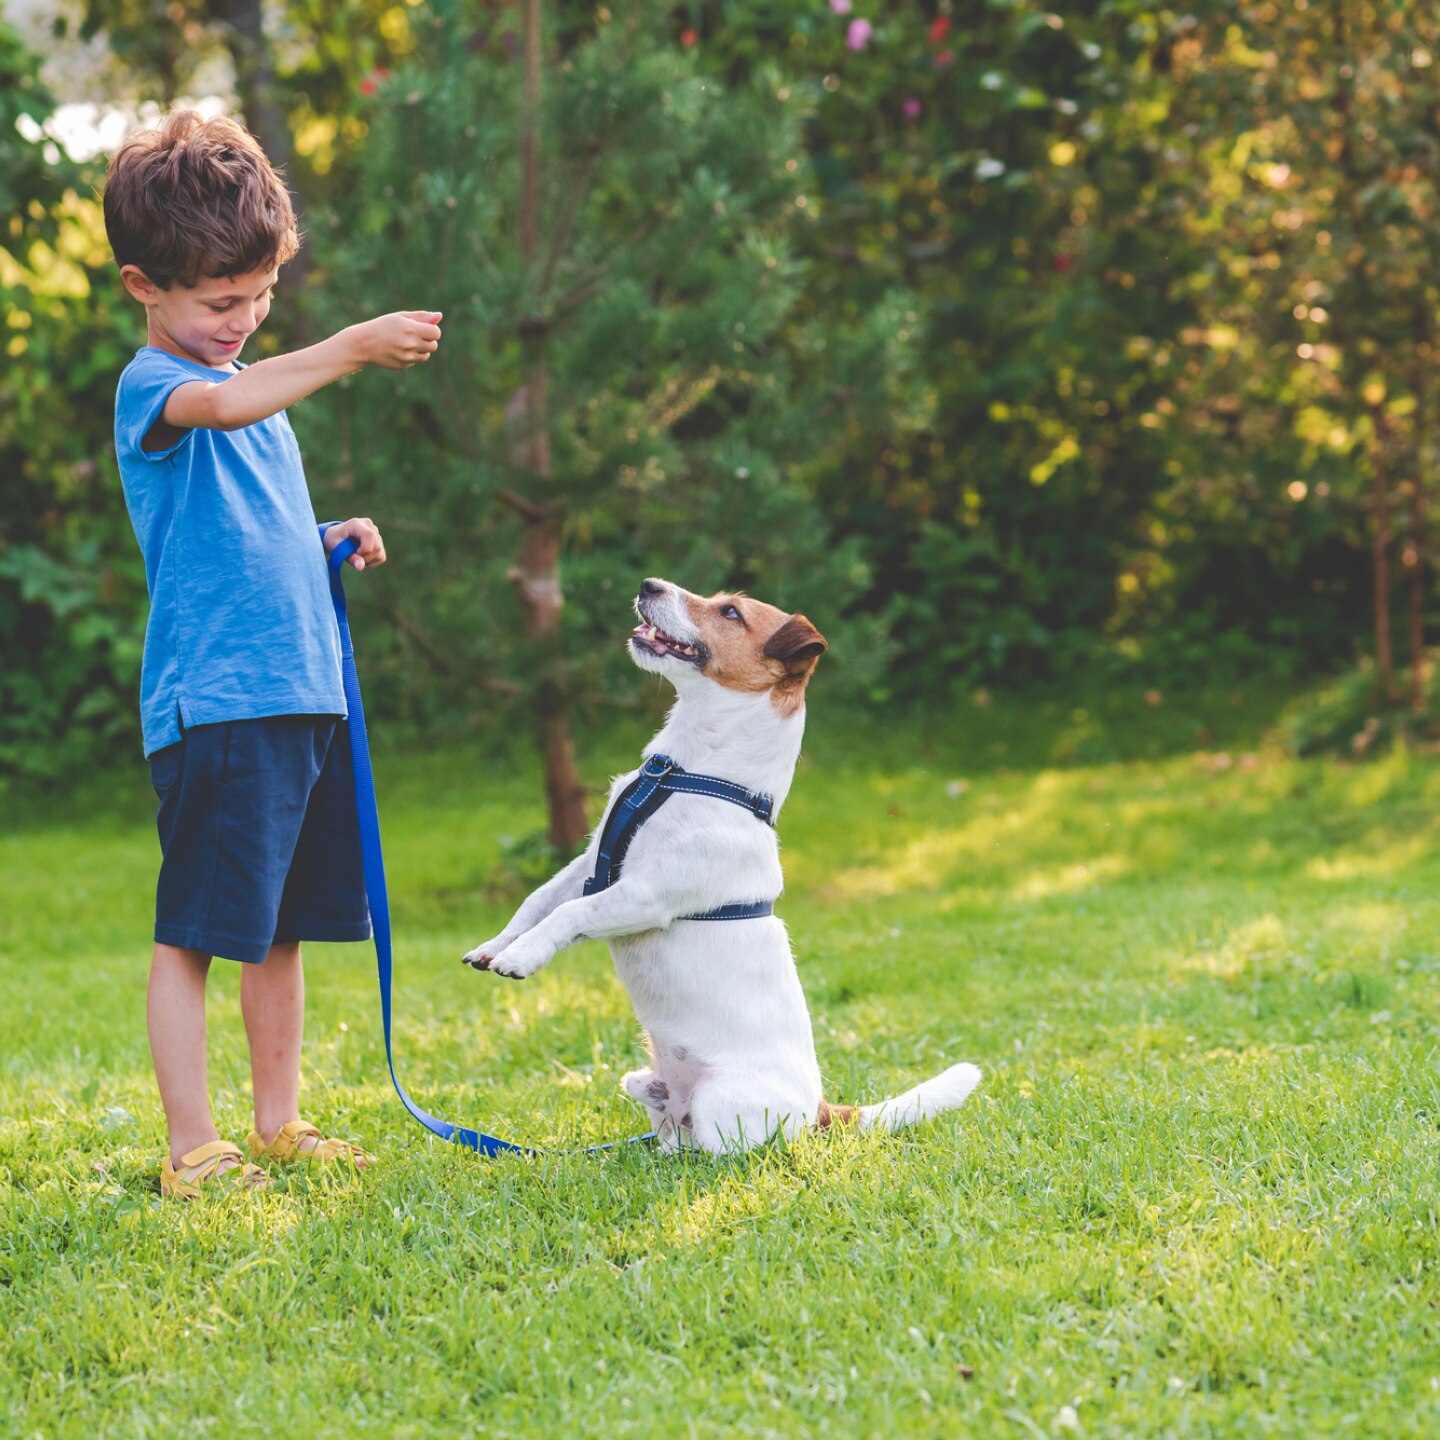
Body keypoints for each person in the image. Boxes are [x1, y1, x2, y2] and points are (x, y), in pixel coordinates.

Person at [104, 109, 443, 1197]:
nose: (242, 320)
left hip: (301, 694)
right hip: (223, 706)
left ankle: (278, 1122)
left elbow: (237, 531)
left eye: (260, 296)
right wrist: (342, 348)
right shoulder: (156, 388)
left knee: (282, 931)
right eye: (219, 301)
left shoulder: (257, 396)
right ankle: (191, 1146)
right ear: (141, 286)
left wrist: (321, 540)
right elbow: (221, 402)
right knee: (196, 934)